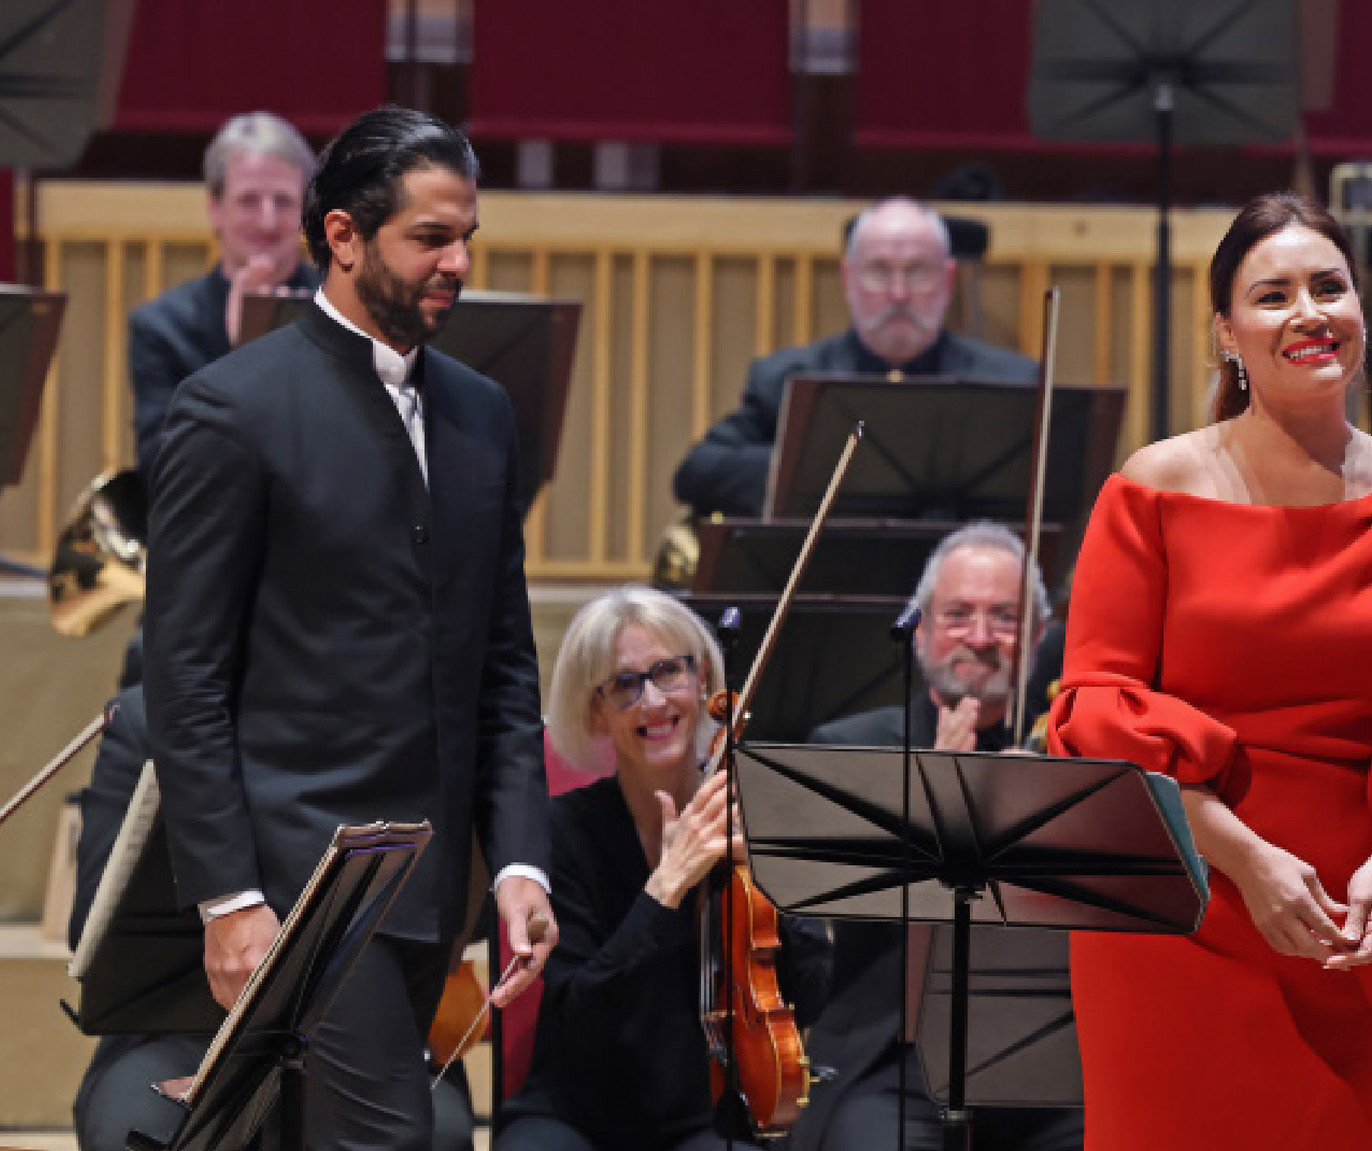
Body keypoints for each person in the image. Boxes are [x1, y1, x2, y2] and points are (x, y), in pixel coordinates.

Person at [1045, 191, 1372, 1150]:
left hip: (1355, 920)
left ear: (1361, 309)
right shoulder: (1150, 488)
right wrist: (1246, 858)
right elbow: (1098, 716)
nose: (1308, 313)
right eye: (1273, 296)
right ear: (1225, 332)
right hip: (1182, 904)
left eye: (1329, 287)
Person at [143, 105, 555, 1151]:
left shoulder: (483, 412)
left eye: (466, 237)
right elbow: (184, 678)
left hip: (437, 884)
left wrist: (519, 862)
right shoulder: (230, 408)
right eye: (430, 238)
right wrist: (229, 897)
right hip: (304, 882)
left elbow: (504, 663)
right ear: (343, 236)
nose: (457, 263)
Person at [66, 687, 480, 1151]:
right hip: (184, 1032)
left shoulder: (403, 711)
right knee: (133, 1130)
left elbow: (466, 912)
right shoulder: (148, 717)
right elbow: (93, 929)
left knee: (440, 1134)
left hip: (370, 1029)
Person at [495, 587, 830, 1150]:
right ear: (596, 713)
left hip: (706, 1113)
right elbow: (580, 1023)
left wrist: (767, 881)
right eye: (624, 685)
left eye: (669, 672)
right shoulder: (563, 830)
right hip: (576, 1112)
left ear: (702, 683)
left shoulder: (749, 810)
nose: (652, 701)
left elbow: (813, 993)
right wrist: (668, 884)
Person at [790, 522, 1082, 1151]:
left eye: (1005, 618)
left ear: (1038, 637)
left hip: (1047, 1058)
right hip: (895, 1060)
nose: (980, 637)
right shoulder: (853, 751)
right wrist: (943, 799)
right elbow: (849, 901)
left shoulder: (1069, 757)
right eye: (958, 615)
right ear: (920, 629)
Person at [671, 197, 1038, 518]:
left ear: (947, 280)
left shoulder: (1012, 383)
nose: (898, 293)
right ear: (848, 279)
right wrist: (804, 469)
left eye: (917, 272)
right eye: (879, 271)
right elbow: (698, 471)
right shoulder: (788, 378)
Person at [130, 111, 321, 478]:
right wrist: (240, 360)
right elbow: (161, 469)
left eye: (283, 201)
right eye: (249, 200)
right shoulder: (162, 328)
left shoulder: (348, 310)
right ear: (215, 209)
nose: (267, 221)